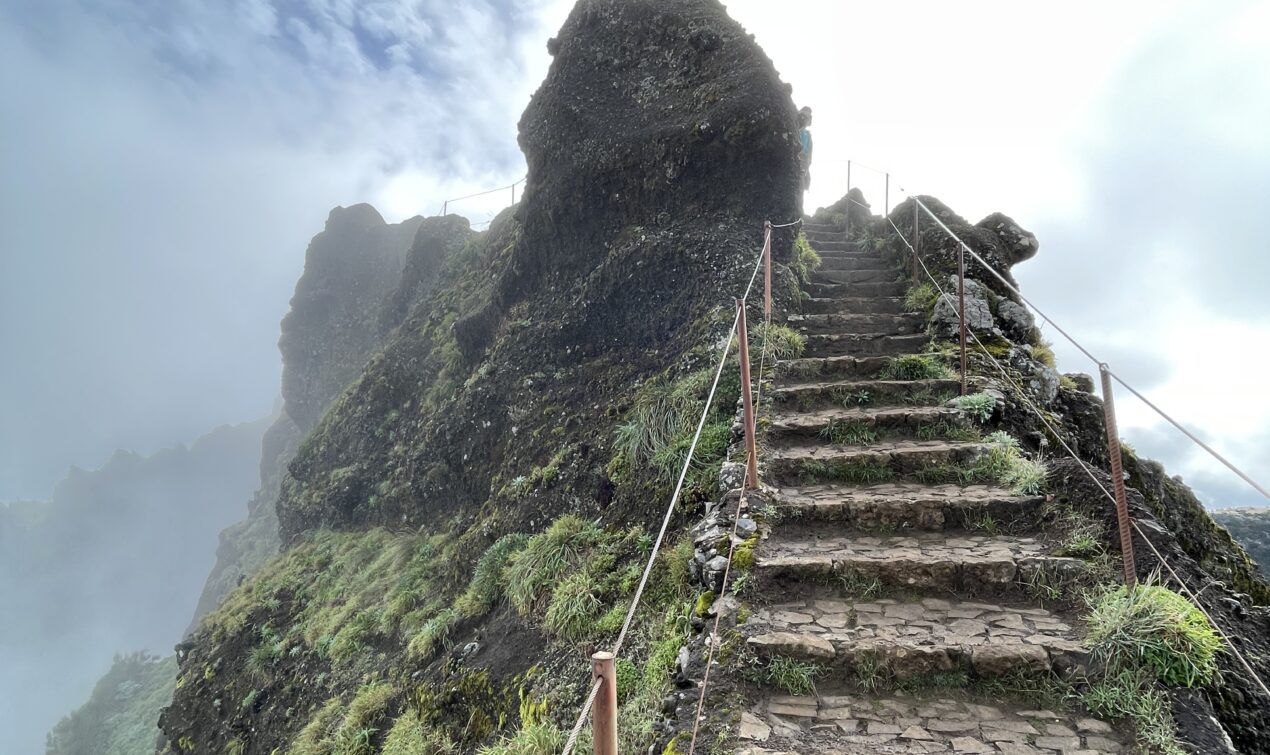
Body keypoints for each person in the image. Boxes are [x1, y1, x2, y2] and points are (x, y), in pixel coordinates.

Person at [797, 106, 813, 190]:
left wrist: (808, 161)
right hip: (796, 156)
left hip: (804, 160)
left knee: (803, 181)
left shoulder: (808, 135)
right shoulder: (796, 128)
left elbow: (810, 151)